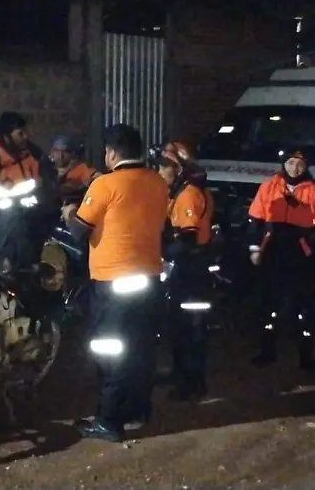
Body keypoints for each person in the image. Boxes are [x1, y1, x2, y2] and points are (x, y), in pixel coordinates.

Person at [62, 124, 169, 442]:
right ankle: (139, 408)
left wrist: (69, 212)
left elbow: (79, 231)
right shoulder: (157, 182)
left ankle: (108, 420)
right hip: (148, 278)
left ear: (111, 153)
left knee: (112, 350)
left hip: (113, 281)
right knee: (141, 346)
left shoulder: (105, 184)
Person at [246, 150, 315, 370]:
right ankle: (267, 351)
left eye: (300, 164)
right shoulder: (268, 187)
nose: (295, 168)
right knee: (268, 303)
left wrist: (309, 245)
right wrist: (255, 248)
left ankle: (306, 355)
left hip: (299, 256)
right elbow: (255, 220)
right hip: (272, 252)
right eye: (291, 163)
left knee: (300, 306)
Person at [154, 143, 215, 401]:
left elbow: (187, 239)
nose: (160, 172)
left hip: (192, 270)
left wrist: (160, 251)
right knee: (178, 326)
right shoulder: (181, 191)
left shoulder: (188, 195)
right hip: (187, 267)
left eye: (164, 167)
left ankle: (192, 384)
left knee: (191, 329)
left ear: (178, 169)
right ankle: (180, 374)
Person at [0, 111, 59, 271]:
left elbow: (50, 178)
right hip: (6, 222)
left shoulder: (33, 153)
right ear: (6, 137)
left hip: (36, 217)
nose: (25, 137)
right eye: (20, 134)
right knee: (14, 232)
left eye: (25, 132)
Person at [49, 134, 99, 202]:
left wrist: (81, 185)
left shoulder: (81, 168)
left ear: (72, 153)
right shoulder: (46, 168)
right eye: (57, 151)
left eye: (65, 152)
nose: (61, 155)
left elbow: (97, 176)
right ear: (52, 152)